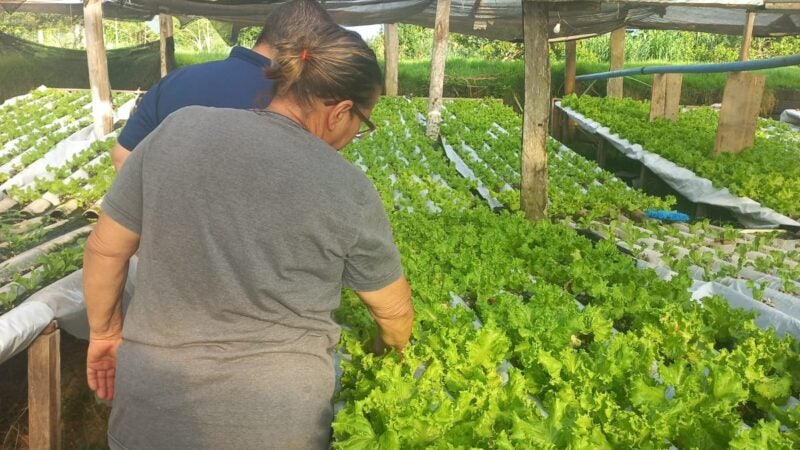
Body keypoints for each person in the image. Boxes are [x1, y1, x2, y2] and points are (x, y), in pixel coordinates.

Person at [83, 23, 414, 449]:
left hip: (150, 414)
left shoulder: (178, 130)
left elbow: (104, 249)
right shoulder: (346, 186)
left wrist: (106, 334)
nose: (355, 136)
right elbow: (394, 314)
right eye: (362, 123)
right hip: (276, 425)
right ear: (340, 111)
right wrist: (384, 356)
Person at [111, 0, 335, 172]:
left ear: (266, 32)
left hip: (161, 228)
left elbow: (122, 155)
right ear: (309, 51)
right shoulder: (295, 102)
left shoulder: (175, 80)